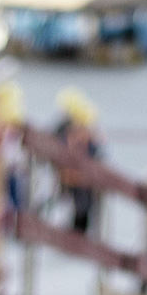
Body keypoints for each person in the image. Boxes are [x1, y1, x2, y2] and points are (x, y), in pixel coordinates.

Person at [53, 87, 105, 236]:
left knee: (83, 205)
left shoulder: (89, 135)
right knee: (78, 204)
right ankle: (76, 232)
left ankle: (79, 233)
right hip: (73, 176)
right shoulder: (66, 131)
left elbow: (98, 153)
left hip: (83, 177)